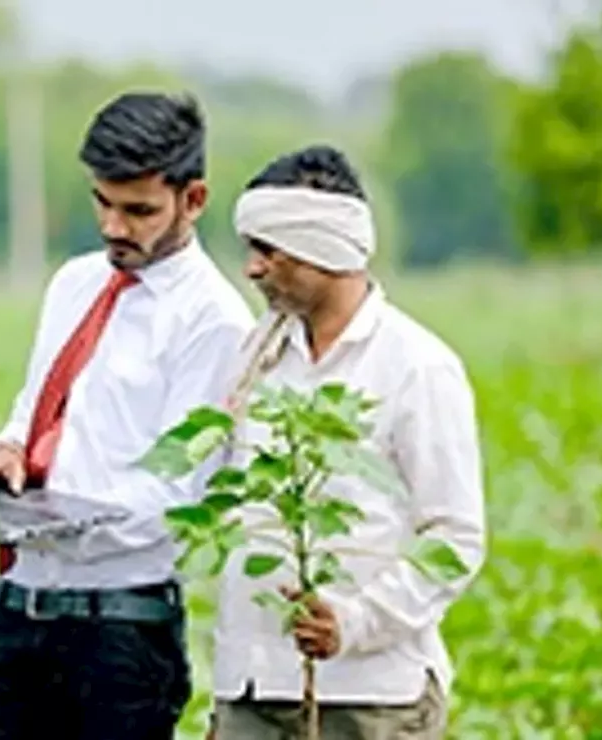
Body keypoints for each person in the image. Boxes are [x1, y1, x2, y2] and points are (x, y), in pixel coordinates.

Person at [0, 90, 256, 738]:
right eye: (103, 202)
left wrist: (43, 521)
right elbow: (31, 415)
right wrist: (0, 464)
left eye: (139, 210)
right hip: (14, 615)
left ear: (193, 199)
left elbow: (178, 499)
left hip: (118, 637)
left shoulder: (215, 321)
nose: (115, 227)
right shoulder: (74, 283)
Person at [204, 144, 487, 739]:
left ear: (322, 247)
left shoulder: (415, 367)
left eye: (266, 249)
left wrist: (355, 622)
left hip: (368, 699)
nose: (251, 269)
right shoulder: (255, 359)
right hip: (252, 689)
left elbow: (455, 537)